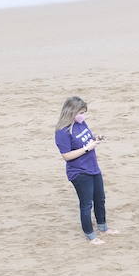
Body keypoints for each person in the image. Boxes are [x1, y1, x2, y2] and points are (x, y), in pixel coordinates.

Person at [54, 96, 117, 243]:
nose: (84, 115)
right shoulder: (62, 132)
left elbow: (87, 136)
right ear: (71, 112)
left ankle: (103, 227)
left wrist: (95, 138)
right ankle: (90, 234)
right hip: (79, 172)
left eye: (84, 112)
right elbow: (67, 156)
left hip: (93, 167)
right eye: (81, 112)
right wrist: (87, 149)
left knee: (100, 199)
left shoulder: (81, 123)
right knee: (86, 204)